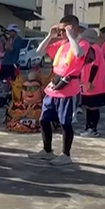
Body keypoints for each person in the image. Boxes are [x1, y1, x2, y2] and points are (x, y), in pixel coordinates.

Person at [29, 15, 88, 166]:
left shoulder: (81, 43)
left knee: (65, 123)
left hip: (68, 88)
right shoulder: (61, 45)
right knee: (44, 119)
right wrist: (50, 35)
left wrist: (70, 35)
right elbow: (39, 51)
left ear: (72, 28)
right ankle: (47, 151)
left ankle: (66, 154)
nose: (61, 33)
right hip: (54, 87)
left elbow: (79, 54)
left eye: (63, 30)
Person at [80, 28, 105, 137]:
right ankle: (89, 127)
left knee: (93, 108)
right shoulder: (93, 48)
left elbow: (95, 66)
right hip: (91, 84)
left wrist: (90, 81)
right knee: (89, 107)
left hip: (95, 84)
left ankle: (92, 129)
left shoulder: (94, 48)